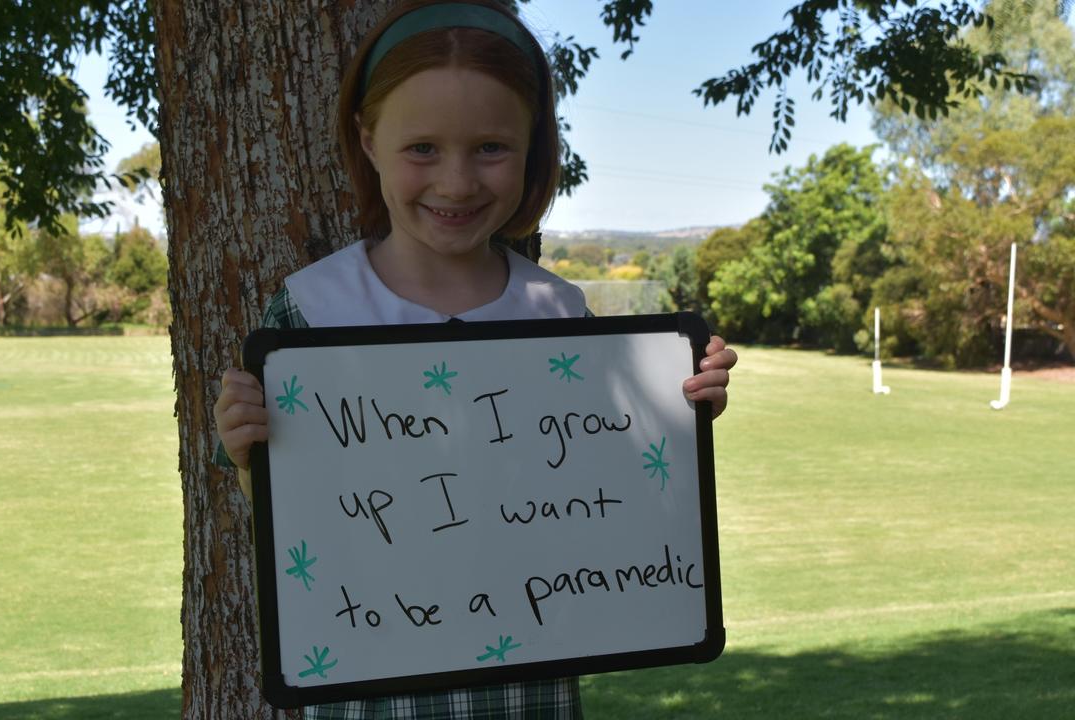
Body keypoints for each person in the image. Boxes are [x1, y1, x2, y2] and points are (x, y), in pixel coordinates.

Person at [213, 1, 737, 717]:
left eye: (490, 148)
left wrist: (681, 420)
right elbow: (290, 525)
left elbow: (610, 509)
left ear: (534, 148)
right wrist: (250, 460)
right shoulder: (310, 312)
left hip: (529, 695)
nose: (456, 183)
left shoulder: (559, 315)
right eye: (422, 148)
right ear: (367, 141)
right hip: (371, 693)